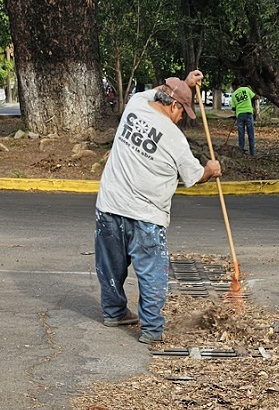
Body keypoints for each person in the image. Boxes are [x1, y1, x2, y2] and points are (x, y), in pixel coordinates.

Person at [95, 71, 221, 344]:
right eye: (182, 111)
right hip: (147, 217)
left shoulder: (136, 104)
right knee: (151, 272)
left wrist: (184, 84)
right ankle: (151, 329)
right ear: (173, 105)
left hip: (110, 205)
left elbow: (156, 91)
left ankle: (114, 312)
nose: (182, 118)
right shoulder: (175, 139)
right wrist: (211, 169)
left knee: (110, 265)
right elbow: (195, 176)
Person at [230, 81, 257, 155]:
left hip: (240, 115)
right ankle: (252, 152)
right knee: (250, 133)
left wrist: (239, 105)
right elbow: (255, 97)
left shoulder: (234, 94)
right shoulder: (246, 89)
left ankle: (241, 150)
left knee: (241, 133)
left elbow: (233, 108)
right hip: (249, 113)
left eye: (232, 87)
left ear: (234, 86)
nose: (232, 88)